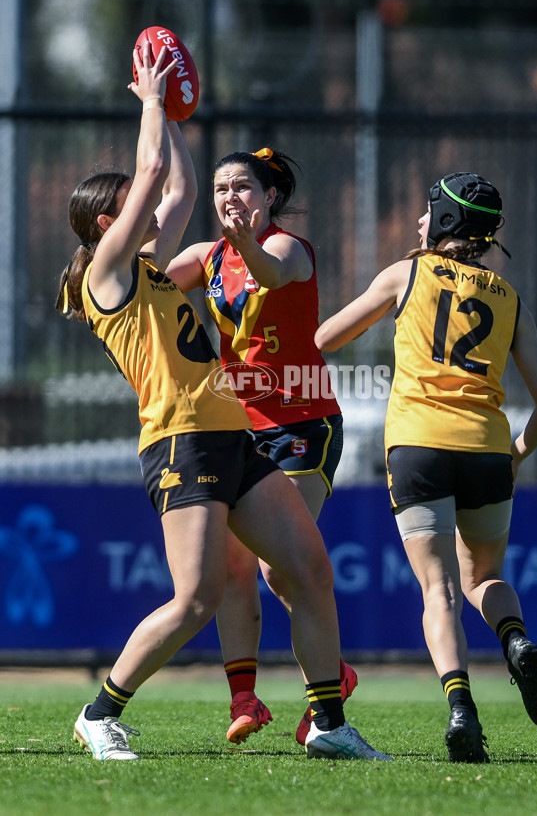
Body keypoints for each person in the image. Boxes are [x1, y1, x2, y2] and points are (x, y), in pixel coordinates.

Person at [56, 41, 391, 763]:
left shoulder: (146, 267)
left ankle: (329, 723)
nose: (142, 208)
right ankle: (98, 712)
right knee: (196, 598)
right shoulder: (109, 275)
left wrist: (176, 115)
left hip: (232, 434)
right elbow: (150, 177)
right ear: (102, 227)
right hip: (182, 441)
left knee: (308, 567)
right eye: (123, 208)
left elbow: (172, 189)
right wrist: (150, 97)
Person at [314, 171, 537, 763]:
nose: (419, 222)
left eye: (427, 213)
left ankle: (461, 707)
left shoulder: (406, 273)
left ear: (446, 223)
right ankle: (517, 639)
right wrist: (516, 454)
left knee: (440, 589)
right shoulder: (509, 298)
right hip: (486, 449)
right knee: (483, 580)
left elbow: (324, 338)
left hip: (418, 447)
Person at [165, 148, 356, 748]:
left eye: (243, 187)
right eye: (221, 188)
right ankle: (244, 697)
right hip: (238, 427)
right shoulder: (206, 257)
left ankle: (330, 686)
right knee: (233, 565)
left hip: (304, 423)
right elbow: (147, 285)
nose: (230, 198)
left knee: (281, 566)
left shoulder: (285, 249)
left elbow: (270, 277)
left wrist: (242, 240)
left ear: (269, 197)